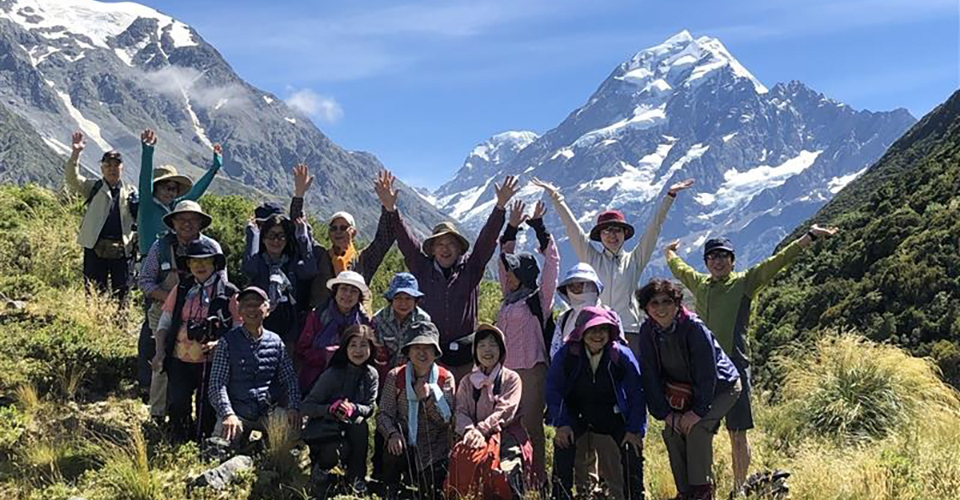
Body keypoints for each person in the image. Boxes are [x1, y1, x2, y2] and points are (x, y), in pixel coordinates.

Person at [664, 226, 838, 494]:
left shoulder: (745, 282)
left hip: (734, 365)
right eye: (712, 257)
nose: (718, 261)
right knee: (700, 429)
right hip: (702, 368)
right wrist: (669, 253)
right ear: (707, 262)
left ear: (732, 261)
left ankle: (739, 488)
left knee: (737, 430)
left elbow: (778, 262)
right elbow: (679, 269)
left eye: (724, 256)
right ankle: (702, 487)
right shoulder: (700, 284)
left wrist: (810, 237)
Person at [382, 171, 519, 382]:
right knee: (432, 407)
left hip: (466, 356)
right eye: (440, 244)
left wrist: (499, 208)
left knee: (463, 405)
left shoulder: (470, 270)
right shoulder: (422, 268)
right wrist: (392, 210)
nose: (445, 250)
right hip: (430, 354)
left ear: (459, 248)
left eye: (451, 244)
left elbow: (485, 242)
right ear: (433, 249)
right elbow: (407, 242)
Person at [533, 177, 694, 356]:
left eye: (617, 230)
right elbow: (573, 229)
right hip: (598, 330)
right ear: (599, 236)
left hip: (630, 331)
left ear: (625, 234)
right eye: (607, 231)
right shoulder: (591, 258)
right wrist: (556, 197)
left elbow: (654, 229)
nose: (612, 235)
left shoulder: (635, 260)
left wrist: (669, 196)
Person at [636, 279, 741, 500]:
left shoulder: (693, 328)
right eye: (654, 303)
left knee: (697, 428)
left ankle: (702, 490)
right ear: (646, 307)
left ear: (677, 304)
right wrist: (665, 414)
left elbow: (707, 374)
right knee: (672, 432)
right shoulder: (648, 331)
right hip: (684, 393)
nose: (661, 308)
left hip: (721, 388)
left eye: (667, 301)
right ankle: (685, 492)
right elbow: (650, 376)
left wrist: (698, 412)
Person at [139, 200, 226, 422]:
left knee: (204, 362)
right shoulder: (160, 247)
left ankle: (202, 419)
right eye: (181, 219)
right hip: (164, 310)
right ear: (173, 222)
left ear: (200, 223)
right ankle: (158, 413)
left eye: (192, 219)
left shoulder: (212, 247)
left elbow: (223, 284)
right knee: (162, 361)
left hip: (204, 314)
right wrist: (174, 299)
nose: (187, 224)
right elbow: (146, 281)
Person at [546, 307, 645, 500]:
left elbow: (637, 393)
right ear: (581, 332)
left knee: (631, 449)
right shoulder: (568, 355)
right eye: (591, 330)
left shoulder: (621, 355)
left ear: (610, 332)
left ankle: (634, 495)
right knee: (563, 445)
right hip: (577, 414)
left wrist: (634, 430)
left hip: (613, 415)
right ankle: (561, 495)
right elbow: (553, 389)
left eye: (603, 329)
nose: (597, 335)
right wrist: (562, 423)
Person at [496, 199, 559, 486]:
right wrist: (511, 225)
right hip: (506, 374)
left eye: (512, 272)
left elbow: (553, 263)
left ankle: (537, 482)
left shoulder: (538, 300)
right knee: (506, 426)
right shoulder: (508, 296)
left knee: (532, 427)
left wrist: (538, 226)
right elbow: (503, 255)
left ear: (523, 276)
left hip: (533, 373)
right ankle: (510, 481)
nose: (507, 275)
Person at [152, 239, 238, 442]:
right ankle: (179, 440)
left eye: (205, 261)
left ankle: (202, 442)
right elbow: (164, 323)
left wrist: (219, 344)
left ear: (214, 263)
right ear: (188, 265)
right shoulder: (181, 289)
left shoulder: (229, 292)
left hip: (212, 362)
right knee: (178, 401)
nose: (200, 266)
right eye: (194, 261)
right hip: (178, 358)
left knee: (206, 405)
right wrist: (159, 352)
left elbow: (238, 328)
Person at [548, 262, 621, 495]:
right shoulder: (564, 318)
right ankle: (586, 491)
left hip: (606, 399)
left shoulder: (610, 315)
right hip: (572, 398)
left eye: (583, 284)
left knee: (609, 453)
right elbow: (556, 353)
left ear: (594, 286)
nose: (578, 290)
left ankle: (607, 490)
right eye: (573, 286)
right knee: (580, 453)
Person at [289, 164, 398, 310]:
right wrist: (299, 195)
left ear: (353, 232)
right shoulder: (320, 255)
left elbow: (384, 239)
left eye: (343, 227)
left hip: (354, 326)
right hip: (321, 326)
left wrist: (388, 207)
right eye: (333, 228)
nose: (338, 231)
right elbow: (300, 227)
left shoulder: (364, 259)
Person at [446, 324, 532, 500]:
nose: (487, 350)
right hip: (474, 435)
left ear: (501, 350)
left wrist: (481, 429)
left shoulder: (511, 378)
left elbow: (505, 410)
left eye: (493, 344)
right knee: (460, 465)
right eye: (482, 345)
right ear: (475, 351)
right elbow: (461, 411)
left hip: (506, 435)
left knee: (506, 473)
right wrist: (470, 431)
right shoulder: (467, 382)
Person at [208, 286, 301, 447]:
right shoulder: (227, 342)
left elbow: (290, 380)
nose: (252, 309)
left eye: (257, 304)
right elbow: (217, 384)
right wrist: (227, 413)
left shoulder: (276, 342)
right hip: (238, 412)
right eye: (246, 305)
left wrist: (293, 407)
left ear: (267, 309)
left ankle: (262, 449)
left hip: (268, 411)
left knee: (293, 435)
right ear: (239, 310)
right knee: (220, 446)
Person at [377, 321, 455, 500]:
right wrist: (392, 434)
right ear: (408, 352)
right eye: (417, 347)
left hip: (434, 446)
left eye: (428, 348)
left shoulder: (445, 378)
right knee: (393, 451)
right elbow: (383, 414)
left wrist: (427, 399)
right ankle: (390, 488)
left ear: (435, 352)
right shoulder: (396, 376)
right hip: (403, 441)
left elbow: (447, 421)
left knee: (429, 492)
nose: (422, 353)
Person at [301, 325, 379, 499]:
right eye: (353, 345)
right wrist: (330, 409)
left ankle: (357, 479)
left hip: (351, 427)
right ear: (345, 348)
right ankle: (319, 475)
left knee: (360, 424)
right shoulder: (333, 374)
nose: (358, 350)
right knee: (333, 453)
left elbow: (370, 407)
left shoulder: (371, 374)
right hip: (325, 428)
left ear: (371, 349)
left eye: (363, 345)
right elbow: (306, 406)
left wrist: (353, 408)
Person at [63, 131, 138, 302]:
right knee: (94, 291)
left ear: (121, 168)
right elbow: (72, 179)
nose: (112, 169)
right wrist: (75, 153)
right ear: (102, 168)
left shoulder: (131, 192)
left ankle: (120, 326)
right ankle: (95, 324)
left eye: (116, 165)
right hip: (95, 246)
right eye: (108, 165)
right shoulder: (93, 187)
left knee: (122, 292)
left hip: (122, 249)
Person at [136, 129, 222, 256]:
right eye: (166, 187)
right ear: (155, 188)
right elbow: (144, 182)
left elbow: (194, 195)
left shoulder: (174, 207)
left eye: (174, 189)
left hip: (174, 265)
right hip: (150, 264)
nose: (170, 192)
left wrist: (214, 169)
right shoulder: (147, 206)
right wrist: (148, 152)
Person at [242, 208, 317, 349]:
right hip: (259, 327)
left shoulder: (292, 263)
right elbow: (249, 268)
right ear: (263, 238)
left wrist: (303, 238)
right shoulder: (259, 263)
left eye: (281, 236)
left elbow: (310, 270)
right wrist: (253, 234)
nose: (276, 241)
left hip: (289, 331)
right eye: (271, 235)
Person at [297, 271, 371, 392]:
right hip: (316, 376)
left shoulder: (364, 321)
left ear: (359, 297)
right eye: (344, 289)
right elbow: (302, 349)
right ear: (335, 292)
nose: (348, 295)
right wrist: (326, 354)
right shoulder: (318, 315)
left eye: (353, 291)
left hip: (352, 378)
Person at [371, 272, 432, 384]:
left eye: (408, 298)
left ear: (415, 301)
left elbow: (426, 353)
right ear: (391, 300)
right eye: (398, 298)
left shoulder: (423, 319)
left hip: (414, 374)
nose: (403, 303)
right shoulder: (379, 319)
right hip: (384, 375)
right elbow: (377, 355)